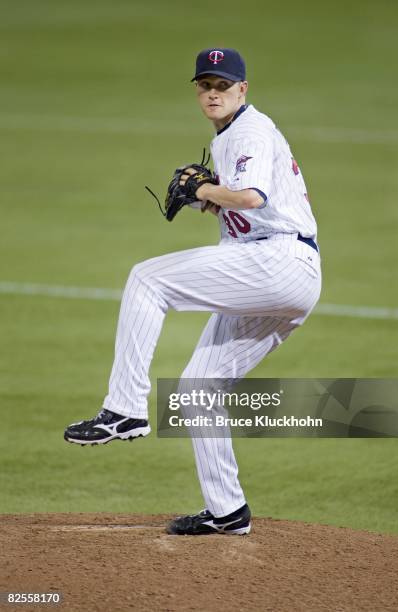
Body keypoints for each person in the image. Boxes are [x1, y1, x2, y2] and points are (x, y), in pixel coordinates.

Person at [64, 48, 321, 536]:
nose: (212, 94)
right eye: (205, 85)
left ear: (242, 90)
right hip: (285, 271)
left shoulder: (248, 130)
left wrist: (203, 191)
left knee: (147, 278)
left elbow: (251, 197)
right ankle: (228, 512)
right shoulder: (233, 136)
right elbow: (249, 209)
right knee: (199, 388)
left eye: (222, 86)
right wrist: (211, 201)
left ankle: (125, 409)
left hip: (278, 262)